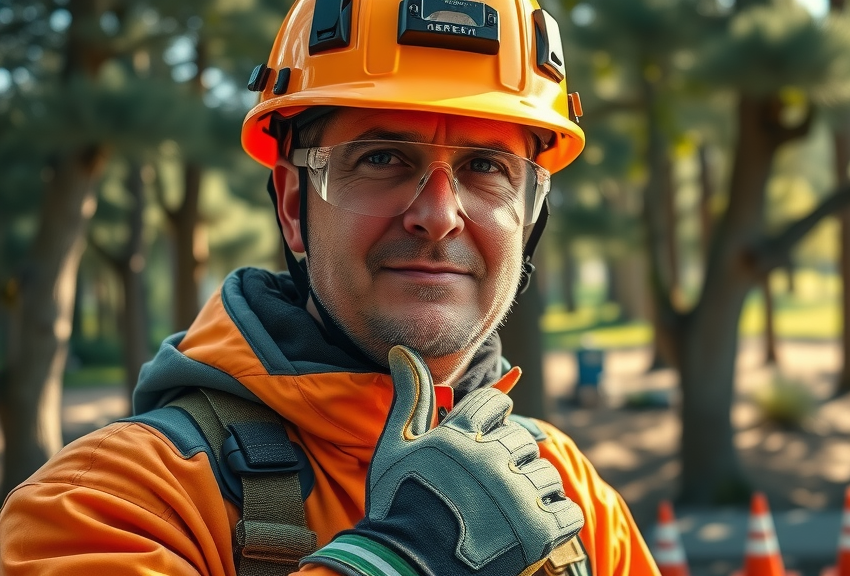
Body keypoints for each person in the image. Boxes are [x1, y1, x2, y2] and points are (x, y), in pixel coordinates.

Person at [0, 1, 659, 575]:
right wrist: (397, 563)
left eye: (486, 167)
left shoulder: (567, 493)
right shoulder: (115, 501)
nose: (438, 214)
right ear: (292, 205)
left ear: (531, 214)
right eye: (382, 159)